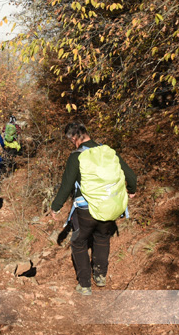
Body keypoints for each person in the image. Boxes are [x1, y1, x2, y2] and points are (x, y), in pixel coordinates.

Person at [48, 122, 137, 296]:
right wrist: (132, 190)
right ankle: (100, 276)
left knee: (79, 242)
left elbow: (66, 186)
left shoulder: (76, 156)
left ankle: (85, 284)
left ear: (73, 138)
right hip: (110, 207)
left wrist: (55, 207)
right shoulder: (108, 151)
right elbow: (131, 175)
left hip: (85, 209)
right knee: (102, 238)